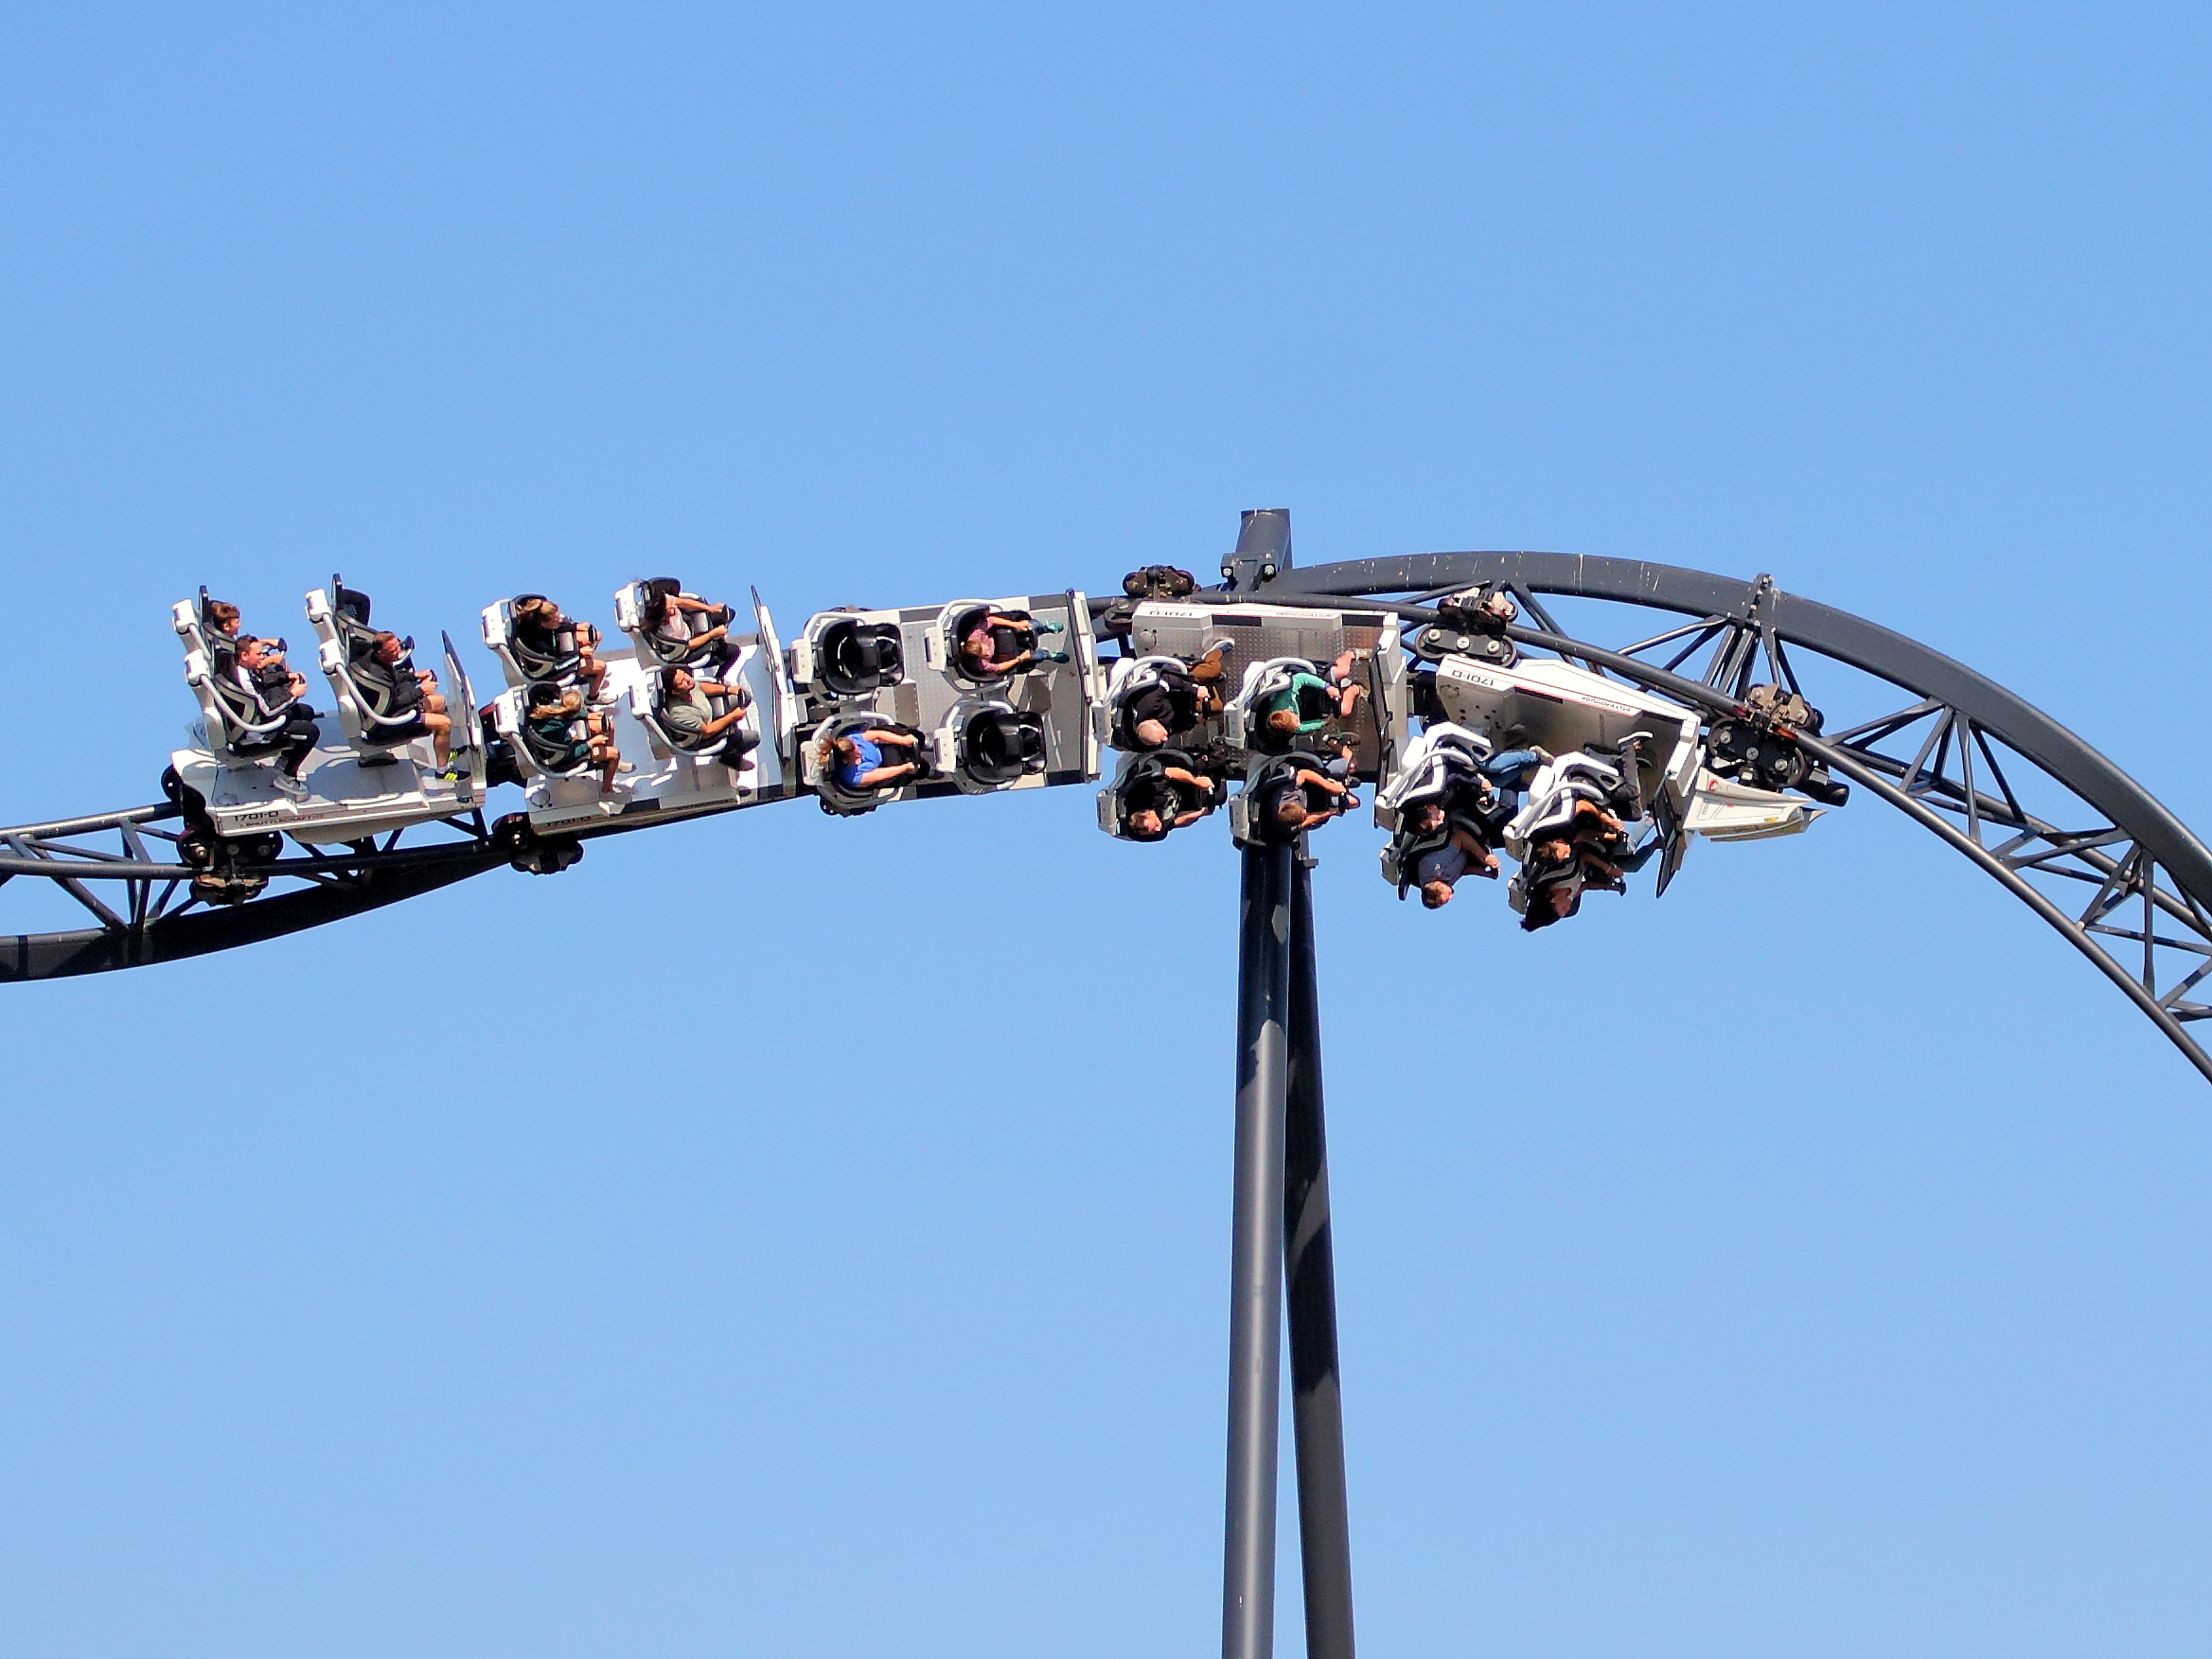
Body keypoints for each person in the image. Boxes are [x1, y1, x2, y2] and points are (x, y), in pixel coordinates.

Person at [229, 636, 321, 796]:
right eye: (258, 654)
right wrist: (292, 694)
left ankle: (285, 760)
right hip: (258, 732)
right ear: (244, 655)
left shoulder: (239, 667)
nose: (262, 657)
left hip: (255, 717)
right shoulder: (245, 683)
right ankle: (287, 776)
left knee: (306, 712)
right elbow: (268, 711)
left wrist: (286, 676)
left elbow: (262, 681)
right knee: (311, 732)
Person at [351, 631, 457, 769]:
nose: (398, 652)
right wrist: (421, 691)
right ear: (381, 652)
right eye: (393, 650)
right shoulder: (378, 676)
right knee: (444, 724)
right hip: (385, 724)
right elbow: (395, 705)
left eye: (398, 647)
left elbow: (392, 679)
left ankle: (443, 750)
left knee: (439, 702)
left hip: (385, 709)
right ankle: (443, 772)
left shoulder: (375, 658)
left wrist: (413, 676)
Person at [524, 685, 623, 796]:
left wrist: (588, 715)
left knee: (607, 725)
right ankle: (607, 789)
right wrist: (590, 743)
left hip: (563, 745)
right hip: (561, 758)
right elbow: (569, 752)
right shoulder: (557, 724)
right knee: (614, 754)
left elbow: (568, 714)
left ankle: (605, 762)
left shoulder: (552, 710)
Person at [511, 595, 609, 702]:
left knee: (596, 636)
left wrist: (575, 627)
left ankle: (586, 673)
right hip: (553, 668)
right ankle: (593, 697)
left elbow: (557, 628)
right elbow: (558, 663)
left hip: (558, 648)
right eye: (556, 619)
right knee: (601, 667)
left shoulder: (537, 622)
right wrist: (579, 653)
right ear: (544, 623)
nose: (560, 620)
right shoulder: (539, 643)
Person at [1261, 650, 1365, 740]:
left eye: (1296, 720)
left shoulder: (1285, 697)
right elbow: (1301, 727)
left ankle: (1351, 653)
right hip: (1309, 706)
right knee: (1345, 710)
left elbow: (1301, 678)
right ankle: (1355, 688)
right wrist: (1324, 722)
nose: (1298, 723)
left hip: (1309, 685)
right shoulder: (1291, 726)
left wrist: (1327, 687)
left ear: (1287, 711)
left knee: (1343, 671)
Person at [641, 581, 738, 666]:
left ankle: (718, 635)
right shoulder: (668, 634)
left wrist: (710, 608)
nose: (674, 607)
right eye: (669, 610)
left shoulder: (665, 601)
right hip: (687, 650)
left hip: (688, 627)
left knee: (726, 614)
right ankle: (719, 677)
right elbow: (689, 645)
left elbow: (683, 602)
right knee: (733, 652)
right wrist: (712, 634)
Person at [657, 665, 753, 751]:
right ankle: (730, 758)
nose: (687, 679)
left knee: (745, 696)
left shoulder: (687, 686)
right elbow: (707, 732)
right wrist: (732, 717)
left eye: (684, 674)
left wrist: (727, 689)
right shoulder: (681, 714)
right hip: (703, 735)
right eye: (681, 681)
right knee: (752, 738)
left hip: (707, 711)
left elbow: (700, 687)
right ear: (675, 692)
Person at [1122, 757, 1218, 840]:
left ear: (1148, 812)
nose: (1158, 829)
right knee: (1216, 797)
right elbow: (1175, 822)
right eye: (1154, 831)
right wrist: (1202, 813)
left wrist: (1196, 780)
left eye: (1155, 826)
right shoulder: (1159, 828)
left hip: (1175, 769)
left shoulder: (1147, 793)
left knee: (1201, 765)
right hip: (1183, 798)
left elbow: (1169, 772)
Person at [1414, 822, 1501, 909]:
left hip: (1459, 825)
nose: (1451, 896)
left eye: (1448, 897)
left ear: (1438, 885)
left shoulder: (1434, 868)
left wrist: (1485, 858)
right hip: (1468, 850)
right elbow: (1462, 870)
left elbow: (1460, 837)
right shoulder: (1442, 882)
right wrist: (1486, 873)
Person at [959, 610, 1069, 679]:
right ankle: (1048, 655)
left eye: (985, 648)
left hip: (1003, 634)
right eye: (984, 655)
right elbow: (999, 667)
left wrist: (1016, 625)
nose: (987, 653)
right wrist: (1020, 659)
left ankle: (1044, 628)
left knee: (1032, 625)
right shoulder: (980, 664)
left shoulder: (975, 634)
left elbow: (991, 620)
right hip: (1006, 655)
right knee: (1036, 656)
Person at [819, 727, 923, 792]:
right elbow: (879, 774)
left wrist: (904, 741)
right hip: (886, 765)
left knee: (918, 737)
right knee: (922, 768)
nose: (860, 753)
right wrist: (905, 768)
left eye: (857, 749)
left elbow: (878, 735)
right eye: (856, 756)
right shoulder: (852, 777)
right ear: (846, 761)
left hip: (883, 746)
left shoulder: (852, 739)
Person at [1266, 763, 1357, 836]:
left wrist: (1331, 787)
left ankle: (1340, 782)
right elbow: (1309, 820)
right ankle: (1343, 792)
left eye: (1302, 810)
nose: (1304, 811)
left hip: (1314, 786)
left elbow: (1304, 774)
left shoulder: (1285, 793)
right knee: (1354, 802)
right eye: (1303, 815)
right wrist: (1332, 812)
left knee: (1349, 766)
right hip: (1318, 807)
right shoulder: (1286, 827)